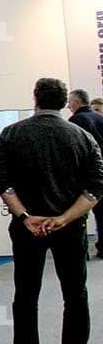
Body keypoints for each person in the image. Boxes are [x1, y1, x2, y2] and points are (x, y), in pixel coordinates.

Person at [0, 78, 103, 344]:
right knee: (75, 295)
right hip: (70, 228)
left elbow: (0, 181)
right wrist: (64, 218)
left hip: (27, 228)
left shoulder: (12, 133)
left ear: (35, 99)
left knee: (26, 295)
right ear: (65, 102)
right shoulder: (82, 137)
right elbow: (95, 188)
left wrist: (25, 216)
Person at [68, 88, 103, 259]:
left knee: (79, 214)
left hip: (84, 175)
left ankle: (80, 252)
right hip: (101, 173)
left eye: (70, 103)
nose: (68, 106)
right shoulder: (100, 118)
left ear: (76, 102)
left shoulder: (75, 121)